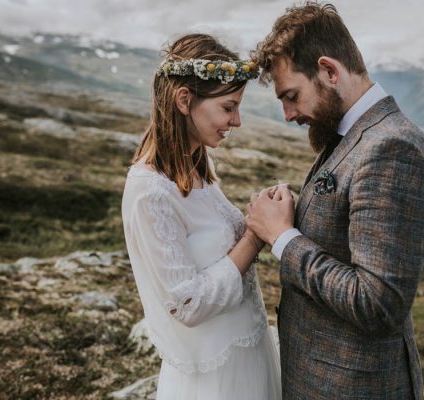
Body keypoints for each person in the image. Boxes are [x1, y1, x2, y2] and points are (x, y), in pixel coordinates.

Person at [246, 2, 424, 399]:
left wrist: (283, 238)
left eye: (292, 95)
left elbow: (377, 304)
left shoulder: (392, 149)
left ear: (329, 71)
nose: (287, 114)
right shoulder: (352, 135)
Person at [121, 33, 281, 400]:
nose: (237, 121)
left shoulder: (196, 166)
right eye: (229, 107)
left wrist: (263, 214)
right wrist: (254, 236)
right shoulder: (150, 192)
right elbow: (186, 303)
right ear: (184, 100)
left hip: (247, 355)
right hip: (214, 380)